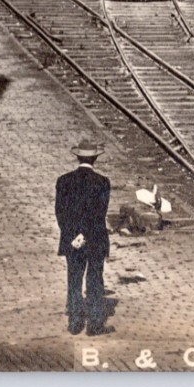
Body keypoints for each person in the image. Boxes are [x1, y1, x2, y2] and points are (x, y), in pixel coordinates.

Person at [55, 138, 112, 336]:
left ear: (77, 157)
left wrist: (73, 235)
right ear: (95, 158)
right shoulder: (102, 182)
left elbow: (60, 212)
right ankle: (95, 325)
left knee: (74, 278)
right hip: (95, 238)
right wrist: (85, 234)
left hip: (72, 240)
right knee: (95, 279)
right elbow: (98, 213)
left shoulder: (63, 181)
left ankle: (75, 322)